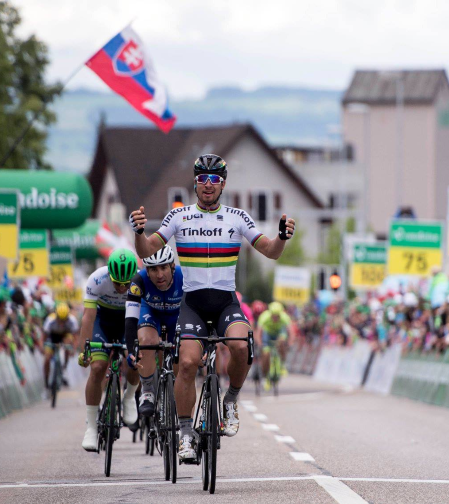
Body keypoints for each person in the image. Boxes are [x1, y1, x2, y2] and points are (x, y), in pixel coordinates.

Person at [129, 154, 296, 461]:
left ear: (222, 185)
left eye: (214, 180)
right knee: (188, 364)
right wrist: (139, 233)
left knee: (241, 344)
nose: (208, 186)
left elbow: (270, 251)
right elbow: (148, 249)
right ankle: (185, 434)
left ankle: (231, 399)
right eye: (202, 180)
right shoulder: (178, 217)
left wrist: (282, 237)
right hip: (192, 303)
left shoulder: (237, 217)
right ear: (195, 183)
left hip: (224, 301)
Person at [77, 249, 140, 452]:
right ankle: (92, 428)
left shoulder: (140, 280)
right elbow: (88, 317)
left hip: (127, 322)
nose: (122, 288)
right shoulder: (96, 279)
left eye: (125, 284)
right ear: (109, 275)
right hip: (102, 322)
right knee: (97, 368)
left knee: (135, 358)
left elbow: (143, 318)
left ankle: (129, 397)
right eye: (117, 283)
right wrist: (84, 349)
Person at [124, 245, 184, 417]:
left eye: (164, 267)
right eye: (153, 269)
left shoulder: (185, 276)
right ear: (146, 269)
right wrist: (131, 351)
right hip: (150, 313)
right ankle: (148, 390)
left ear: (172, 266)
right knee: (147, 342)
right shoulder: (138, 281)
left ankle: (179, 395)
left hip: (177, 316)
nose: (159, 275)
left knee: (182, 354)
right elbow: (130, 319)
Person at [255, 301, 293, 390]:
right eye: (273, 316)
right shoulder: (264, 317)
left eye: (277, 316)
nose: (275, 318)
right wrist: (260, 344)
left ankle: (282, 365)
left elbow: (291, 332)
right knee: (266, 354)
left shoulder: (285, 317)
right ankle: (266, 377)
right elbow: (258, 332)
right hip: (267, 333)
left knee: (282, 340)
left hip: (279, 333)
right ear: (270, 313)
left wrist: (290, 343)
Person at [42, 302, 79, 387]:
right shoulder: (50, 320)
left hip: (64, 336)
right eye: (60, 319)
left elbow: (76, 338)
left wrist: (73, 349)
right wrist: (43, 347)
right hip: (52, 337)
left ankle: (64, 367)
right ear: (56, 315)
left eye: (64, 319)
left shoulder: (72, 320)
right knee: (47, 359)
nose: (62, 322)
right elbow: (44, 336)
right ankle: (46, 381)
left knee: (68, 342)